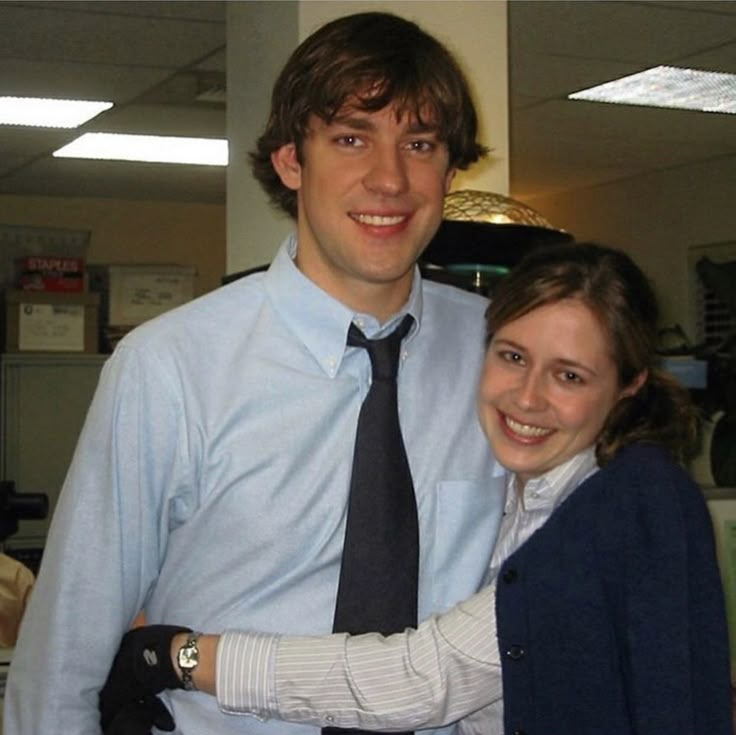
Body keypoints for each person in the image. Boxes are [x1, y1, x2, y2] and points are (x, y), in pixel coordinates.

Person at [4, 12, 507, 735]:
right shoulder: (169, 366)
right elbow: (63, 656)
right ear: (290, 162)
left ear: (449, 169)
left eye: (420, 143)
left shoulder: (504, 358)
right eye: (351, 138)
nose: (391, 178)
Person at [100, 243, 733, 735]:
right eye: (512, 356)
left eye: (569, 374)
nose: (528, 396)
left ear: (627, 385)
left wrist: (178, 658)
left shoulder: (624, 505)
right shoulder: (519, 486)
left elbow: (418, 679)